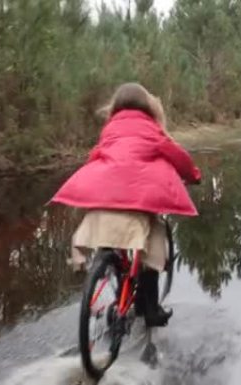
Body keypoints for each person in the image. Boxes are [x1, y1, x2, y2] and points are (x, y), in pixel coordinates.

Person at [50, 83, 201, 327]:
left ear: (115, 106)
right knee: (152, 241)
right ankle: (149, 308)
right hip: (138, 200)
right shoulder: (151, 129)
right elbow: (178, 157)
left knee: (111, 240)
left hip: (105, 195)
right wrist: (194, 176)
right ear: (148, 105)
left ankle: (117, 276)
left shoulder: (110, 129)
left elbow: (94, 157)